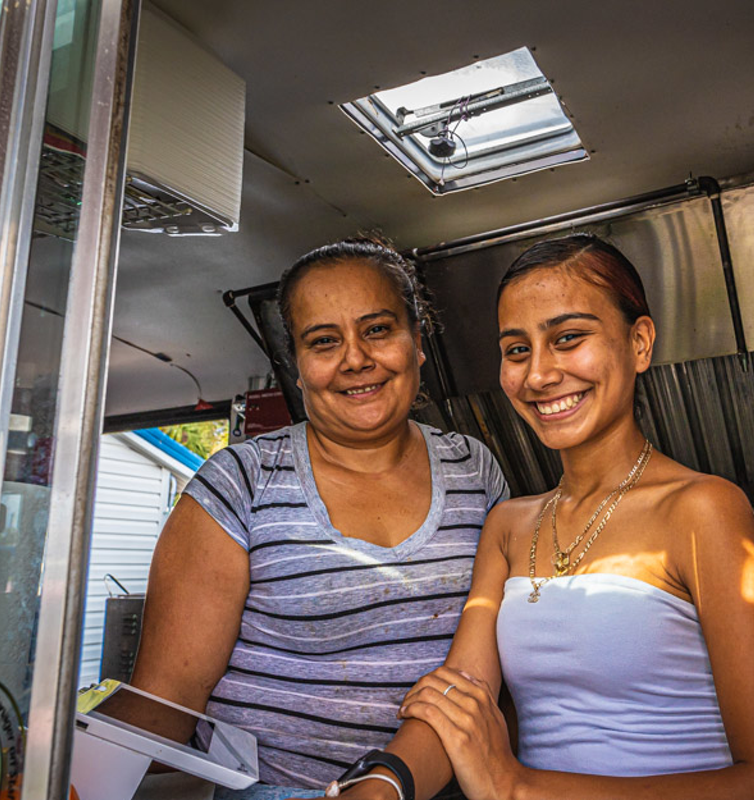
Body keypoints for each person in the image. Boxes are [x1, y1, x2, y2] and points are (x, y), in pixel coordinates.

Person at [336, 234, 754, 800]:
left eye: (567, 339)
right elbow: (459, 699)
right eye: (517, 350)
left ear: (639, 343)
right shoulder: (510, 527)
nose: (538, 375)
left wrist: (516, 786)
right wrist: (379, 785)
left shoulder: (703, 509)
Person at [123, 237, 509, 799]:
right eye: (324, 341)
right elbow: (166, 700)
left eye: (377, 329)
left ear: (417, 342)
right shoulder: (240, 482)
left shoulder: (474, 468)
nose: (356, 358)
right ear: (298, 367)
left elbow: (495, 667)